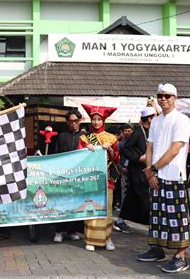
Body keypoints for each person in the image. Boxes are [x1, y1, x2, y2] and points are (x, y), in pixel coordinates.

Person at [137, 83, 190, 273]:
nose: (163, 99)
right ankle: (157, 249)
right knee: (157, 215)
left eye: (167, 96)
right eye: (160, 96)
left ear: (174, 98)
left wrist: (152, 169)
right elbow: (150, 147)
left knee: (177, 217)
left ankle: (181, 257)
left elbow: (175, 149)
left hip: (173, 176)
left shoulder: (182, 120)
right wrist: (150, 171)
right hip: (156, 175)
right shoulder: (157, 121)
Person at [78, 104, 120, 251]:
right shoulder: (84, 138)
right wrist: (85, 150)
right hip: (91, 180)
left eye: (99, 119)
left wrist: (109, 149)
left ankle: (107, 239)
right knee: (91, 208)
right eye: (93, 119)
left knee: (107, 209)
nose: (96, 122)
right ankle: (90, 240)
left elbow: (117, 159)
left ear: (104, 121)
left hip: (107, 180)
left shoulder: (112, 138)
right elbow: (79, 159)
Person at [115, 107, 156, 233]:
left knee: (131, 197)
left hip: (144, 169)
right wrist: (139, 158)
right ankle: (152, 224)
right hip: (137, 170)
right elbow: (124, 149)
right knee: (144, 196)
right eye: (154, 117)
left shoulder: (149, 131)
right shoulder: (138, 132)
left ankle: (120, 221)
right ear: (149, 118)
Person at [52, 107, 83, 243]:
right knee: (61, 203)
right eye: (70, 121)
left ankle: (72, 231)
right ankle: (59, 231)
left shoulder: (86, 136)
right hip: (63, 176)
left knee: (76, 204)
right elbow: (55, 155)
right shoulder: (61, 136)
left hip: (79, 176)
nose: (73, 124)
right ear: (67, 122)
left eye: (75, 121)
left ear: (80, 121)